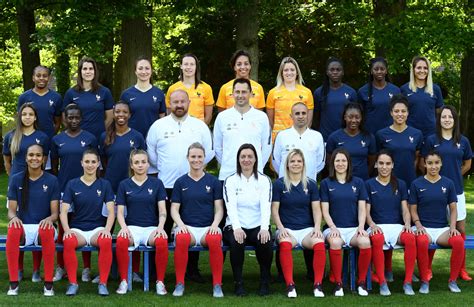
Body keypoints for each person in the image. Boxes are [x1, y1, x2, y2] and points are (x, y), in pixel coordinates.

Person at [146, 89, 214, 282]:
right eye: (175, 102)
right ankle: (154, 272)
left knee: (191, 226)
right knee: (162, 228)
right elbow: (152, 155)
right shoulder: (158, 126)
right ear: (169, 103)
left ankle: (191, 270)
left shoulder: (199, 127)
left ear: (188, 102)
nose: (179, 105)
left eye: (182, 101)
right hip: (165, 185)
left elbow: (207, 153)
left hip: (193, 185)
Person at [421, 105, 472, 281]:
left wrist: (453, 178)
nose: (447, 119)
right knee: (434, 227)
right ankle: (426, 268)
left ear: (454, 120)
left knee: (460, 228)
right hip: (434, 193)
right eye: (443, 117)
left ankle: (461, 269)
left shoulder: (463, 141)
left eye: (450, 117)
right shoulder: (431, 140)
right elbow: (423, 163)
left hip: (456, 191)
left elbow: (467, 163)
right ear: (439, 120)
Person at [3, 103, 50, 283]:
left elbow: (44, 160)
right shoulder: (11, 137)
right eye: (24, 114)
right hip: (18, 184)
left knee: (37, 222)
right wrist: (13, 176)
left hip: (37, 183)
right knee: (18, 223)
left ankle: (37, 270)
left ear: (35, 117)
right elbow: (7, 160)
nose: (28, 117)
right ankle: (19, 268)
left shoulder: (42, 137)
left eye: (31, 114)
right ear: (20, 116)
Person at [50, 103, 97, 282]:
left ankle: (86, 268)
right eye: (70, 117)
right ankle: (61, 267)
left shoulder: (90, 138)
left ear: (81, 118)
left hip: (87, 190)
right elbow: (54, 167)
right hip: (64, 190)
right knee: (64, 230)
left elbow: (95, 164)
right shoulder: (57, 140)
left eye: (77, 117)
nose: (74, 120)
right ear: (64, 119)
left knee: (85, 226)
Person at [170, 143, 224, 297]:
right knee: (181, 239)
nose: (196, 160)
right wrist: (180, 225)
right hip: (188, 227)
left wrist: (214, 225)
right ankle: (180, 283)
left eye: (199, 156)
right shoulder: (180, 182)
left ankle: (217, 285)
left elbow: (219, 208)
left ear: (204, 158)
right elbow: (174, 208)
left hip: (208, 227)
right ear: (188, 158)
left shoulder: (213, 181)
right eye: (193, 156)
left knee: (214, 240)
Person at [271, 149, 326, 298]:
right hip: (287, 228)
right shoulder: (279, 184)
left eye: (299, 161)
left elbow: (316, 209)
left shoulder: (312, 184)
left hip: (307, 229)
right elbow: (274, 210)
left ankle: (318, 285)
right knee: (285, 243)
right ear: (287, 165)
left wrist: (317, 228)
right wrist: (281, 228)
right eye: (292, 161)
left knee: (319, 242)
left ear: (303, 164)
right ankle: (290, 285)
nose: (296, 164)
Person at [6, 144, 59, 296]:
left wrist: (49, 219)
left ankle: (48, 284)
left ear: (43, 159)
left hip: (45, 226)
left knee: (47, 229)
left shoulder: (52, 180)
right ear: (26, 158)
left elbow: (55, 213)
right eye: (31, 155)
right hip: (25, 227)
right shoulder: (16, 179)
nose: (34, 158)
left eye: (38, 155)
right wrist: (14, 218)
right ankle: (13, 283)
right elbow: (11, 211)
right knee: (13, 229)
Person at [409, 151, 465, 294]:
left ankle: (452, 281)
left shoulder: (448, 183)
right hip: (423, 228)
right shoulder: (416, 183)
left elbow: (453, 209)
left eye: (436, 163)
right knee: (421, 242)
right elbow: (412, 209)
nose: (433, 166)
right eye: (430, 163)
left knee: (458, 241)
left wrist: (452, 227)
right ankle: (424, 282)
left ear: (441, 164)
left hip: (442, 229)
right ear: (424, 164)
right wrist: (418, 224)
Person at [61, 149, 115, 296]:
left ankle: (103, 283)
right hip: (78, 229)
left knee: (106, 241)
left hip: (97, 229)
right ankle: (73, 283)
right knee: (68, 241)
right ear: (81, 163)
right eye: (87, 162)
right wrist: (67, 230)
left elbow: (111, 211)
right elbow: (63, 211)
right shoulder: (72, 184)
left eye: (93, 162)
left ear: (98, 164)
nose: (90, 165)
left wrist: (107, 230)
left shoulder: (104, 184)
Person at [115, 149, 168, 295]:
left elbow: (163, 211)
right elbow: (119, 212)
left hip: (151, 228)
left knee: (162, 240)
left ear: (148, 164)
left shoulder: (157, 183)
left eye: (143, 162)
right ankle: (124, 280)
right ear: (131, 165)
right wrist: (124, 227)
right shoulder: (124, 184)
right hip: (132, 227)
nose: (140, 165)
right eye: (136, 162)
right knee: (121, 240)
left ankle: (160, 282)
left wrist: (160, 227)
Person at [223, 144, 273, 296]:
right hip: (235, 225)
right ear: (238, 160)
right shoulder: (230, 180)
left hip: (258, 224)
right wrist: (237, 228)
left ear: (256, 159)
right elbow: (230, 206)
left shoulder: (264, 180)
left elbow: (266, 206)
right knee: (237, 242)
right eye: (243, 157)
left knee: (265, 241)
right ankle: (238, 283)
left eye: (250, 156)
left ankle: (264, 281)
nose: (246, 160)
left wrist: (265, 228)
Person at [320, 148, 371, 297]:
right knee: (335, 243)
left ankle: (361, 282)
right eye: (337, 161)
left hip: (354, 228)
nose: (340, 163)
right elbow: (325, 211)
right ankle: (338, 283)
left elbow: (362, 209)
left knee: (365, 241)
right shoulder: (325, 183)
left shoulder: (358, 182)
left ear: (348, 163)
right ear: (332, 163)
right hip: (334, 228)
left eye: (343, 160)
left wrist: (361, 227)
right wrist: (332, 227)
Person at [365, 150, 417, 296]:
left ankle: (407, 282)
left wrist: (407, 224)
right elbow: (366, 211)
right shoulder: (368, 184)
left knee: (410, 238)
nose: (384, 167)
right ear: (375, 164)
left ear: (393, 165)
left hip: (396, 226)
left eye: (388, 163)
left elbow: (405, 209)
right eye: (381, 163)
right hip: (376, 226)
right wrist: (372, 225)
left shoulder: (400, 184)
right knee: (377, 238)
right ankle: (382, 283)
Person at [214, 78, 272, 181]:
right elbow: (217, 147)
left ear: (250, 94)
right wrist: (228, 163)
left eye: (244, 92)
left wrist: (256, 167)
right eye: (237, 92)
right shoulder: (222, 117)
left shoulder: (261, 117)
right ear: (232, 94)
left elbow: (267, 147)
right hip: (227, 175)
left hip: (254, 176)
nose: (240, 95)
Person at [100, 101, 146, 193]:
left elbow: (143, 161)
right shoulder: (104, 136)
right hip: (111, 184)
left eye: (125, 112)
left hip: (132, 184)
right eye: (117, 112)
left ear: (129, 115)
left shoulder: (137, 136)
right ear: (113, 114)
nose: (121, 114)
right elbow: (103, 160)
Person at [63, 56, 114, 137]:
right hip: (78, 139)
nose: (88, 72)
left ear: (95, 71)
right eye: (85, 69)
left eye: (91, 69)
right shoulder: (71, 93)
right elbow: (64, 118)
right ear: (80, 72)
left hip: (98, 137)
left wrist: (102, 132)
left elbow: (110, 118)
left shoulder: (105, 92)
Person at [266, 56, 314, 141]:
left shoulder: (307, 92)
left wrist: (301, 135)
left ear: (297, 72)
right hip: (278, 138)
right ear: (281, 73)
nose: (289, 73)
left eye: (292, 70)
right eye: (286, 70)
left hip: (300, 137)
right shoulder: (273, 93)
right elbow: (270, 121)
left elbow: (308, 121)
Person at [273, 102, 324, 180]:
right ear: (291, 116)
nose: (301, 116)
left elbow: (320, 162)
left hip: (308, 183)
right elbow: (276, 161)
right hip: (286, 183)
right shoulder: (282, 135)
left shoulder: (317, 136)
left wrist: (309, 174)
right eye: (297, 113)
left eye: (303, 113)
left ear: (308, 115)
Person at [326, 102, 376, 180]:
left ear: (361, 118)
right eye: (350, 117)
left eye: (357, 117)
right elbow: (329, 162)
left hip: (363, 181)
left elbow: (372, 162)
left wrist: (364, 174)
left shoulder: (369, 137)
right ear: (345, 117)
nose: (353, 120)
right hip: (341, 181)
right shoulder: (334, 137)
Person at [120, 56, 166, 138]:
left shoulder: (159, 93)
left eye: (147, 68)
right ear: (135, 71)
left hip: (153, 137)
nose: (144, 71)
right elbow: (121, 118)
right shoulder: (126, 94)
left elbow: (162, 117)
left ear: (151, 71)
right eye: (140, 68)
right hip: (132, 138)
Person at [313, 57, 357, 141]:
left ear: (343, 72)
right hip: (325, 138)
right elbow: (316, 118)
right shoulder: (319, 92)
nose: (335, 72)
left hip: (346, 137)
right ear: (327, 72)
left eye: (338, 69)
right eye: (332, 70)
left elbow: (356, 116)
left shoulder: (351, 92)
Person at [401, 56, 444, 139]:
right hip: (411, 133)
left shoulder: (435, 89)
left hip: (431, 133)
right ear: (413, 70)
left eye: (425, 68)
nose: (422, 71)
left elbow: (440, 112)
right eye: (419, 68)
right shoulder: (404, 89)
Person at [166, 53, 214, 124]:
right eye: (186, 64)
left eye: (192, 64)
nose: (188, 67)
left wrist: (202, 128)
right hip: (179, 130)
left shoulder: (206, 88)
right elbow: (169, 114)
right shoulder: (173, 89)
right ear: (181, 66)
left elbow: (208, 115)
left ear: (196, 67)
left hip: (198, 130)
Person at [357, 57, 401, 135]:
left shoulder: (395, 90)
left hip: (391, 134)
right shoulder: (363, 91)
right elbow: (360, 114)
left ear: (386, 71)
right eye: (376, 69)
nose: (379, 71)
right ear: (371, 71)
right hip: (370, 134)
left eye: (382, 69)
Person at [17, 65, 62, 139]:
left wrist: (50, 136)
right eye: (38, 76)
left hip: (48, 140)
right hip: (28, 140)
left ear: (49, 78)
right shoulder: (24, 97)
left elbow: (57, 123)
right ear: (33, 78)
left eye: (44, 76)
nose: (41, 78)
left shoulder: (56, 97)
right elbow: (19, 122)